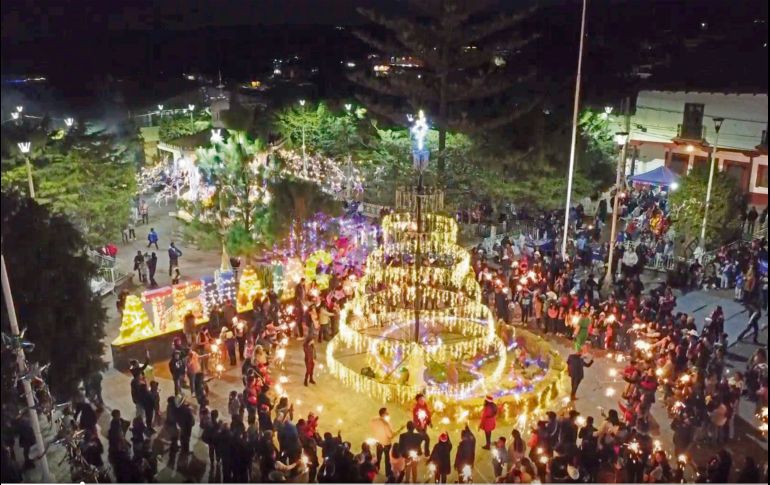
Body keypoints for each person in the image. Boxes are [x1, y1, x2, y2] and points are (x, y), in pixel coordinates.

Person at [370, 407, 395, 480]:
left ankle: (377, 468)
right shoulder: (386, 424)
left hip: (378, 442)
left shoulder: (374, 420)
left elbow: (372, 424)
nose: (388, 414)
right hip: (386, 443)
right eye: (387, 413)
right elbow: (390, 435)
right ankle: (388, 473)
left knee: (378, 457)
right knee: (387, 459)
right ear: (384, 414)